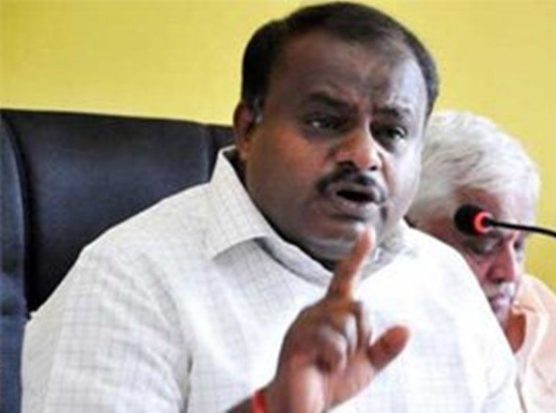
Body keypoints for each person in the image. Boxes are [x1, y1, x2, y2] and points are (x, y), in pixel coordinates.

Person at [22, 4, 520, 412]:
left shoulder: (446, 280)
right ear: (248, 129)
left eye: (391, 132)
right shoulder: (129, 277)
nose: (364, 155)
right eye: (326, 121)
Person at [406, 109, 556, 412]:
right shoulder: (370, 339)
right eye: (482, 246)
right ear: (408, 229)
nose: (510, 273)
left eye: (519, 246)